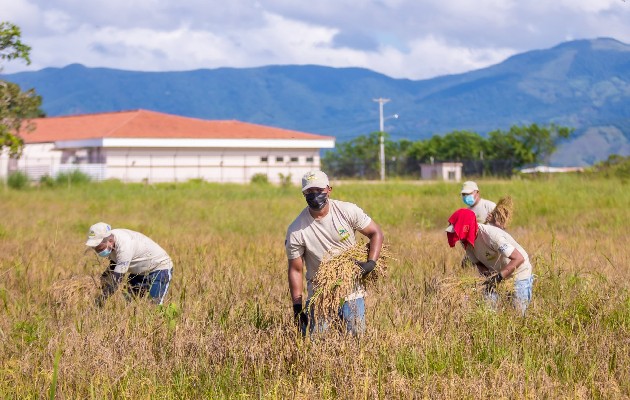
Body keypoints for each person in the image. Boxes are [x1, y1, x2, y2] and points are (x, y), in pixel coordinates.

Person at [286, 170, 384, 336]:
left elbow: (376, 233)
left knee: (356, 341)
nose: (314, 195)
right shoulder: (296, 230)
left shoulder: (347, 211)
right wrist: (297, 307)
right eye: (309, 191)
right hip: (319, 294)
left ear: (328, 190)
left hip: (351, 291)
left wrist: (370, 263)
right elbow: (295, 269)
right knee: (316, 345)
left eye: (319, 190)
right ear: (303, 193)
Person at [445, 208, 533, 315]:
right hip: (496, 274)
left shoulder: (492, 236)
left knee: (517, 313)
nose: (458, 238)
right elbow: (478, 263)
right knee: (487, 312)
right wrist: (488, 277)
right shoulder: (465, 241)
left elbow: (518, 258)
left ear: (467, 228)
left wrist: (499, 277)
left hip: (518, 273)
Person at [85, 222, 173, 306]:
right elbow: (114, 265)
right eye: (95, 248)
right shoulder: (110, 243)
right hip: (138, 273)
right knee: (128, 303)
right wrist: (102, 280)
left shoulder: (125, 246)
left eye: (100, 247)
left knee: (155, 304)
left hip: (159, 268)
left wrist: (100, 300)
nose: (97, 251)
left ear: (110, 241)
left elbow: (116, 281)